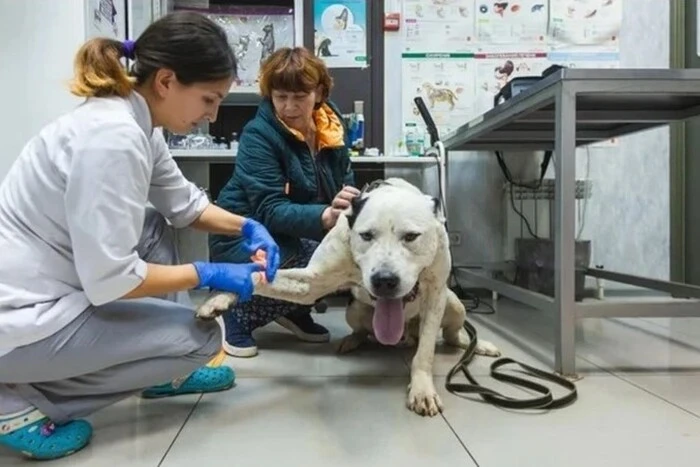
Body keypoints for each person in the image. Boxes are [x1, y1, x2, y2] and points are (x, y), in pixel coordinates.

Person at [0, 11, 280, 461]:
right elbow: (112, 281)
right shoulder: (112, 139)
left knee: (152, 225)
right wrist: (207, 272)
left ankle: (162, 371)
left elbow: (183, 205)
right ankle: (16, 404)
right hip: (19, 324)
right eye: (209, 99)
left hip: (47, 284)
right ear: (167, 81)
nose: (212, 115)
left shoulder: (134, 120)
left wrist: (246, 226)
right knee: (202, 339)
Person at [210, 46, 360, 358]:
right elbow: (269, 209)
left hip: (294, 232)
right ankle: (235, 312)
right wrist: (326, 216)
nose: (289, 107)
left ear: (318, 93)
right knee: (313, 258)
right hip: (243, 238)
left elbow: (345, 179)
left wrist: (346, 200)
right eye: (280, 97)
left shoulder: (332, 128)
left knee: (350, 253)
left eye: (299, 96)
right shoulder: (259, 135)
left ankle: (291, 308)